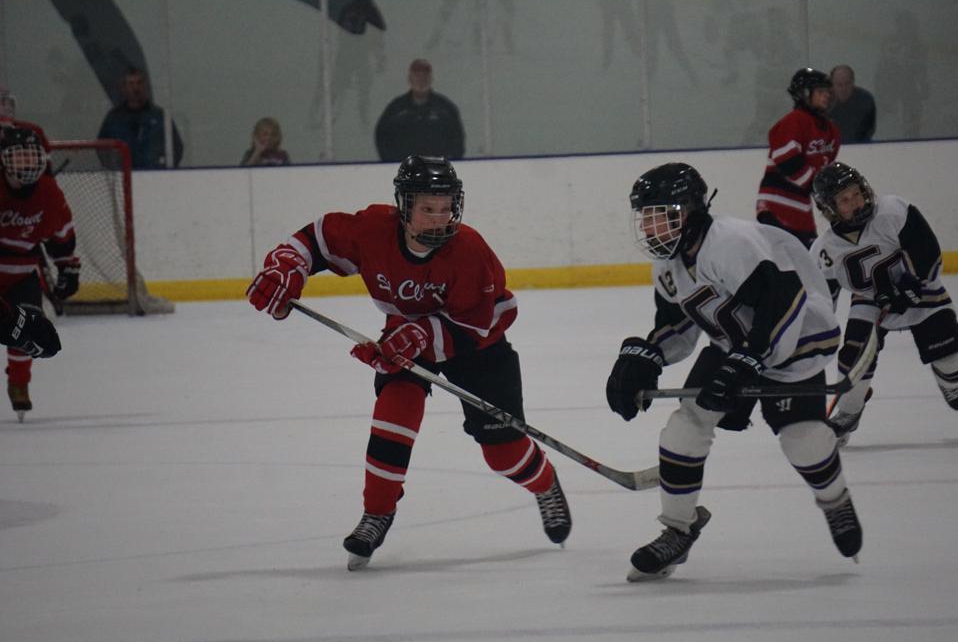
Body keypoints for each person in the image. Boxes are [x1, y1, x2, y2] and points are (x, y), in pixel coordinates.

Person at [247, 155, 571, 570]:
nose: (439, 219)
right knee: (394, 412)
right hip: (407, 334)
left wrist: (419, 336)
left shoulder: (469, 249)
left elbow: (475, 325)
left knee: (503, 454)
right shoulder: (373, 230)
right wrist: (286, 269)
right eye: (427, 208)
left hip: (479, 346)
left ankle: (545, 484)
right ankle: (376, 513)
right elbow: (316, 240)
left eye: (446, 208)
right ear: (404, 206)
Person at [606, 162, 861, 582]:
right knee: (684, 429)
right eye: (645, 218)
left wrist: (747, 362)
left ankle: (835, 501)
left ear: (689, 211)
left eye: (659, 215)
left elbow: (783, 304)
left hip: (795, 341)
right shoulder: (669, 266)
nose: (650, 227)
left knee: (803, 440)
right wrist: (647, 356)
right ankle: (678, 530)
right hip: (736, 345)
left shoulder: (731, 243)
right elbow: (679, 326)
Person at [810, 162, 958, 447]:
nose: (856, 202)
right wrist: (813, 338)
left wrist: (909, 286)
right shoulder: (824, 250)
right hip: (870, 302)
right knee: (853, 363)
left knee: (953, 364)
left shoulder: (893, 211)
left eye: (856, 193)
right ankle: (849, 413)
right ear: (829, 209)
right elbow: (821, 303)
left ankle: (948, 378)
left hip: (920, 290)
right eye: (844, 200)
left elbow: (929, 255)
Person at [0, 126, 78, 421]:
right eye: (18, 157)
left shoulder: (48, 191)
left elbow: (61, 233)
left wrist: (67, 265)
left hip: (22, 273)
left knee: (28, 326)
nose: (26, 164)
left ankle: (19, 382)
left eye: (31, 157)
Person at [756, 67, 840, 247]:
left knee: (808, 258)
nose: (826, 96)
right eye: (820, 92)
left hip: (801, 211)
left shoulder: (831, 130)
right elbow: (787, 162)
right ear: (805, 94)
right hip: (775, 206)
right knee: (786, 258)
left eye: (828, 92)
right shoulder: (795, 120)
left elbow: (826, 170)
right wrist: (819, 190)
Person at [374, 59, 465, 162]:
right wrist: (391, 162)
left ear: (431, 79)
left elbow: (457, 140)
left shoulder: (445, 109)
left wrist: (449, 162)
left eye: (425, 76)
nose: (421, 80)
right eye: (417, 76)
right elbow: (382, 137)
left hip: (437, 169)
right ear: (409, 79)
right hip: (405, 169)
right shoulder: (396, 109)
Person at [98, 68, 183, 169]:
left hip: (154, 175)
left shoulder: (159, 116)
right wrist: (114, 169)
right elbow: (101, 147)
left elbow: (176, 147)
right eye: (131, 83)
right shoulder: (114, 118)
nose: (135, 88)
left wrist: (163, 170)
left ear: (145, 86)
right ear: (124, 88)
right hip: (123, 175)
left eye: (139, 82)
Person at [829, 65, 876, 144]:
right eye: (839, 85)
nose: (843, 89)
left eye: (847, 84)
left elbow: (868, 130)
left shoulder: (865, 100)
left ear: (853, 82)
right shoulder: (824, 102)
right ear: (832, 85)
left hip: (859, 146)